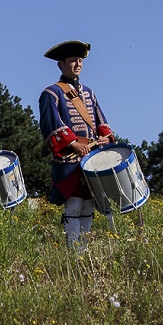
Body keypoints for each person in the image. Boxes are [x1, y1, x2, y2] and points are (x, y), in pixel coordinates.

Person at [38, 40, 114, 250]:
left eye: (80, 60)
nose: (78, 64)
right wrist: (73, 143)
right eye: (73, 61)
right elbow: (51, 125)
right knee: (74, 204)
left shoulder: (89, 92)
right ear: (61, 64)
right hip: (69, 160)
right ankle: (72, 251)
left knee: (88, 205)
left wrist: (105, 137)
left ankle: (83, 251)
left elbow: (101, 121)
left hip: (91, 159)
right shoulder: (51, 93)